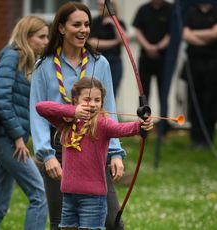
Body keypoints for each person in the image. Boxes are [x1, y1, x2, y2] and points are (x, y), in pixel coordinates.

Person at [30, 2, 126, 230]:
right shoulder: (43, 66)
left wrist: (115, 153)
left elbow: (108, 108)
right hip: (60, 149)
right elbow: (38, 113)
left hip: (95, 144)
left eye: (86, 24)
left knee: (112, 220)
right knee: (62, 223)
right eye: (76, 25)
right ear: (62, 28)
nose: (83, 30)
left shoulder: (99, 63)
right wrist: (47, 155)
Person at [36, 77, 153, 230]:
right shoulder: (67, 124)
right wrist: (72, 111)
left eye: (97, 100)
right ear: (76, 100)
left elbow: (121, 129)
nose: (92, 104)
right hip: (69, 196)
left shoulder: (102, 123)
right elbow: (41, 107)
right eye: (87, 99)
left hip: (93, 199)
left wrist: (140, 126)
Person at [0, 15, 49, 230]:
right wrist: (18, 137)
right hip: (7, 139)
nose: (46, 41)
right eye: (42, 37)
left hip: (10, 139)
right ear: (27, 37)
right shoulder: (11, 56)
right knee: (39, 194)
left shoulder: (28, 62)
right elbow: (0, 97)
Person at [183, 4, 217, 149]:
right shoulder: (191, 12)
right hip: (194, 62)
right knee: (194, 101)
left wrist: (195, 34)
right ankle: (195, 138)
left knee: (210, 102)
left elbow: (216, 34)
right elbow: (185, 34)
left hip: (213, 63)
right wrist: (205, 39)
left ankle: (207, 139)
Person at [132, 0, 172, 136]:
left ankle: (163, 131)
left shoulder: (170, 9)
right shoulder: (143, 9)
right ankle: (143, 130)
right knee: (144, 96)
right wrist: (147, 46)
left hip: (164, 60)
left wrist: (159, 46)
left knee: (163, 94)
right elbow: (137, 30)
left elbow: (172, 32)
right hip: (145, 59)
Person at [89, 0, 126, 96]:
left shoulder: (119, 22)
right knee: (97, 90)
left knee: (113, 92)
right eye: (98, 5)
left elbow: (124, 40)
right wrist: (115, 42)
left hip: (115, 61)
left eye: (102, 6)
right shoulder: (94, 22)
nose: (99, 8)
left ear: (110, 7)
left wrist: (114, 24)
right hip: (97, 60)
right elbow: (93, 43)